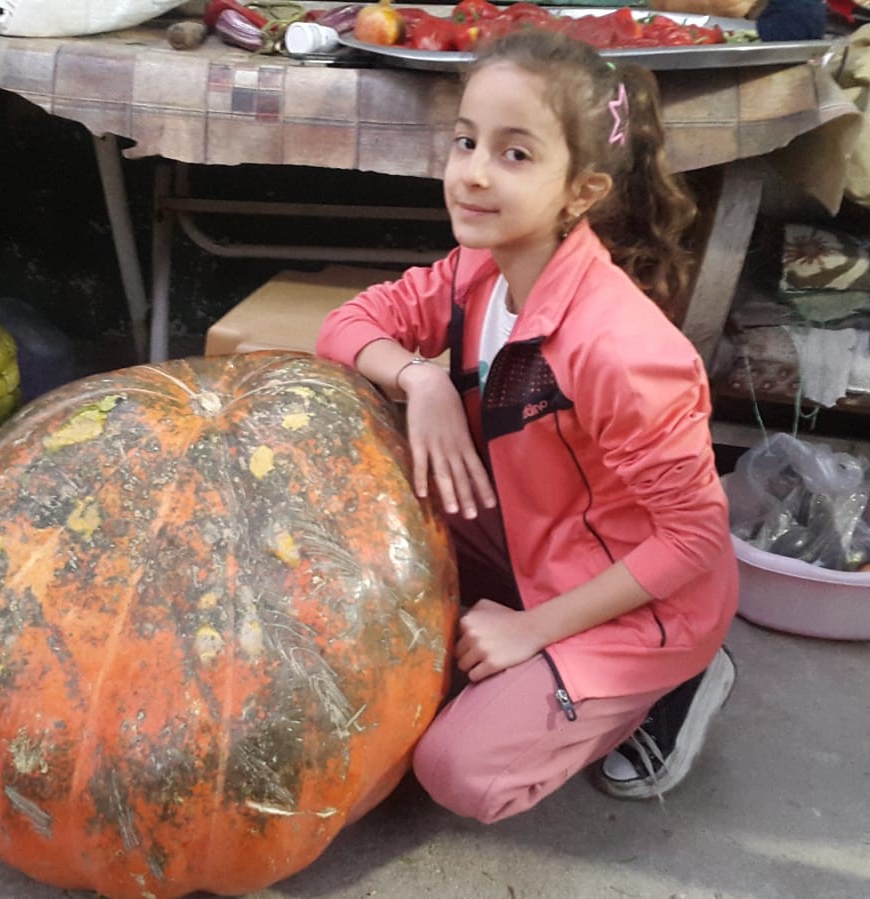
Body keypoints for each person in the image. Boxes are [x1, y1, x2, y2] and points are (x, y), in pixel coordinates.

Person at [315, 28, 738, 824]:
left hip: (641, 600)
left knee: (457, 772)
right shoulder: (477, 266)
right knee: (362, 511)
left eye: (515, 155)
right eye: (465, 141)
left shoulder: (625, 351)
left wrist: (530, 629)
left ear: (580, 191)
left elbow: (693, 538)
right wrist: (422, 379)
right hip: (530, 531)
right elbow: (348, 321)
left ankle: (679, 683)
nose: (472, 173)